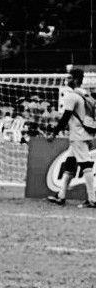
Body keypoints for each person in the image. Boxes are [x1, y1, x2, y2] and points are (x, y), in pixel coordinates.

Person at [47, 68, 96, 207]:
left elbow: (65, 117)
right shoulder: (85, 95)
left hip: (78, 135)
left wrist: (54, 133)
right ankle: (61, 196)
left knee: (86, 165)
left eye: (69, 77)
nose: (67, 80)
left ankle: (92, 199)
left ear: (74, 79)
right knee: (70, 164)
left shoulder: (71, 96)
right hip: (85, 134)